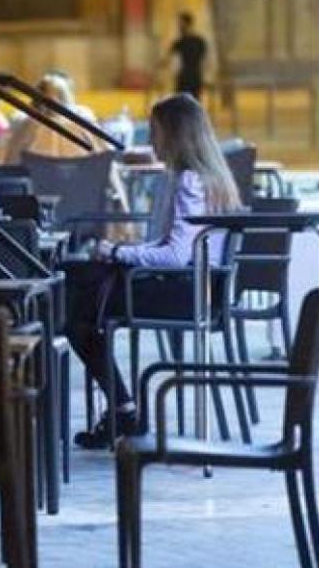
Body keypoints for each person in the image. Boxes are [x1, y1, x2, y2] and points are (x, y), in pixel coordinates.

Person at [63, 93, 241, 449]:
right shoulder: (213, 177)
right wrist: (121, 253)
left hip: (184, 292)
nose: (150, 142)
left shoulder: (190, 181)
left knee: (75, 307)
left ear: (175, 135)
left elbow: (175, 256)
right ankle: (122, 409)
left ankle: (124, 410)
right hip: (201, 288)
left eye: (156, 132)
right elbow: (172, 246)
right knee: (82, 296)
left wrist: (116, 251)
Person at [164, 12, 207, 99]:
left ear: (186, 24)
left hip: (186, 78)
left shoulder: (180, 42)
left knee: (184, 104)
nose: (179, 27)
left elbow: (168, 59)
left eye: (180, 23)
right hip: (194, 77)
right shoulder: (200, 41)